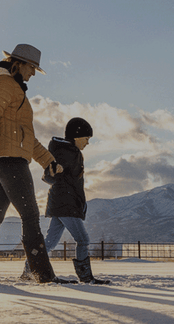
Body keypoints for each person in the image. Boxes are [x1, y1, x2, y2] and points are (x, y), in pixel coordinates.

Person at [0, 43, 73, 284]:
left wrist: (48, 161)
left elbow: (25, 137)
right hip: (9, 162)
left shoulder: (14, 88)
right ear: (17, 63)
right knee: (30, 216)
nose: (32, 74)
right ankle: (43, 275)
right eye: (32, 68)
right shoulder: (4, 85)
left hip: (1, 161)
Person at [23, 117, 111, 284]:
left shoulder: (71, 152)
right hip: (65, 204)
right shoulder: (65, 152)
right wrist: (53, 172)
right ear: (77, 136)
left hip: (62, 203)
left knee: (50, 241)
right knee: (83, 240)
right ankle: (85, 277)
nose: (87, 143)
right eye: (87, 139)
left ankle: (29, 270)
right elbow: (50, 174)